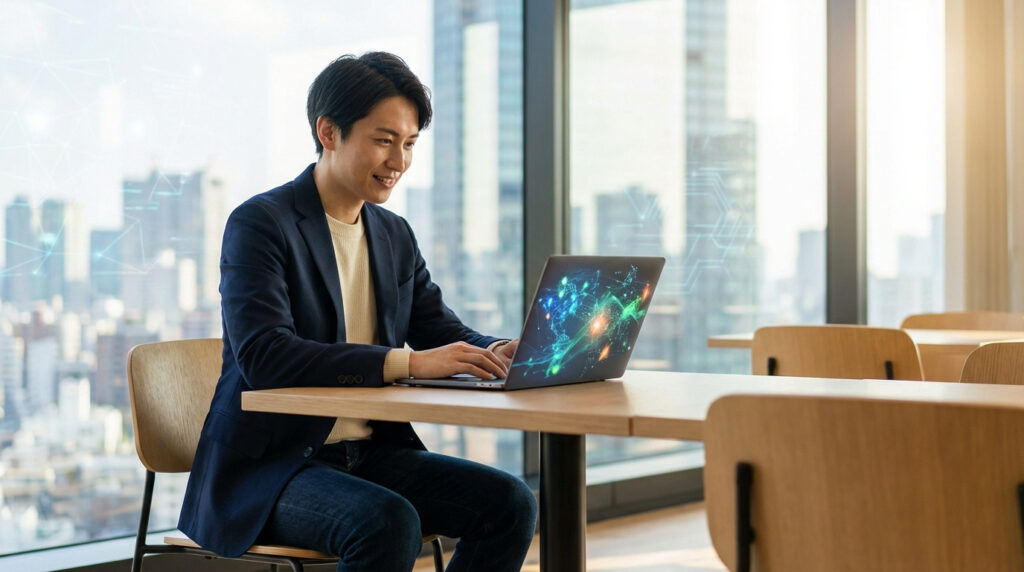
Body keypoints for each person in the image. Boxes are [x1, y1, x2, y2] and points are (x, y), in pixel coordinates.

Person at [178, 52, 538, 571]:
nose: (399, 161)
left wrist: (500, 351)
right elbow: (265, 356)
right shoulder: (262, 223)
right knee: (387, 521)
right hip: (270, 468)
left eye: (410, 144)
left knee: (510, 504)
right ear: (329, 132)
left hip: (371, 455)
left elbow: (441, 331)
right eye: (384, 140)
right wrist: (409, 363)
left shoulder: (393, 235)